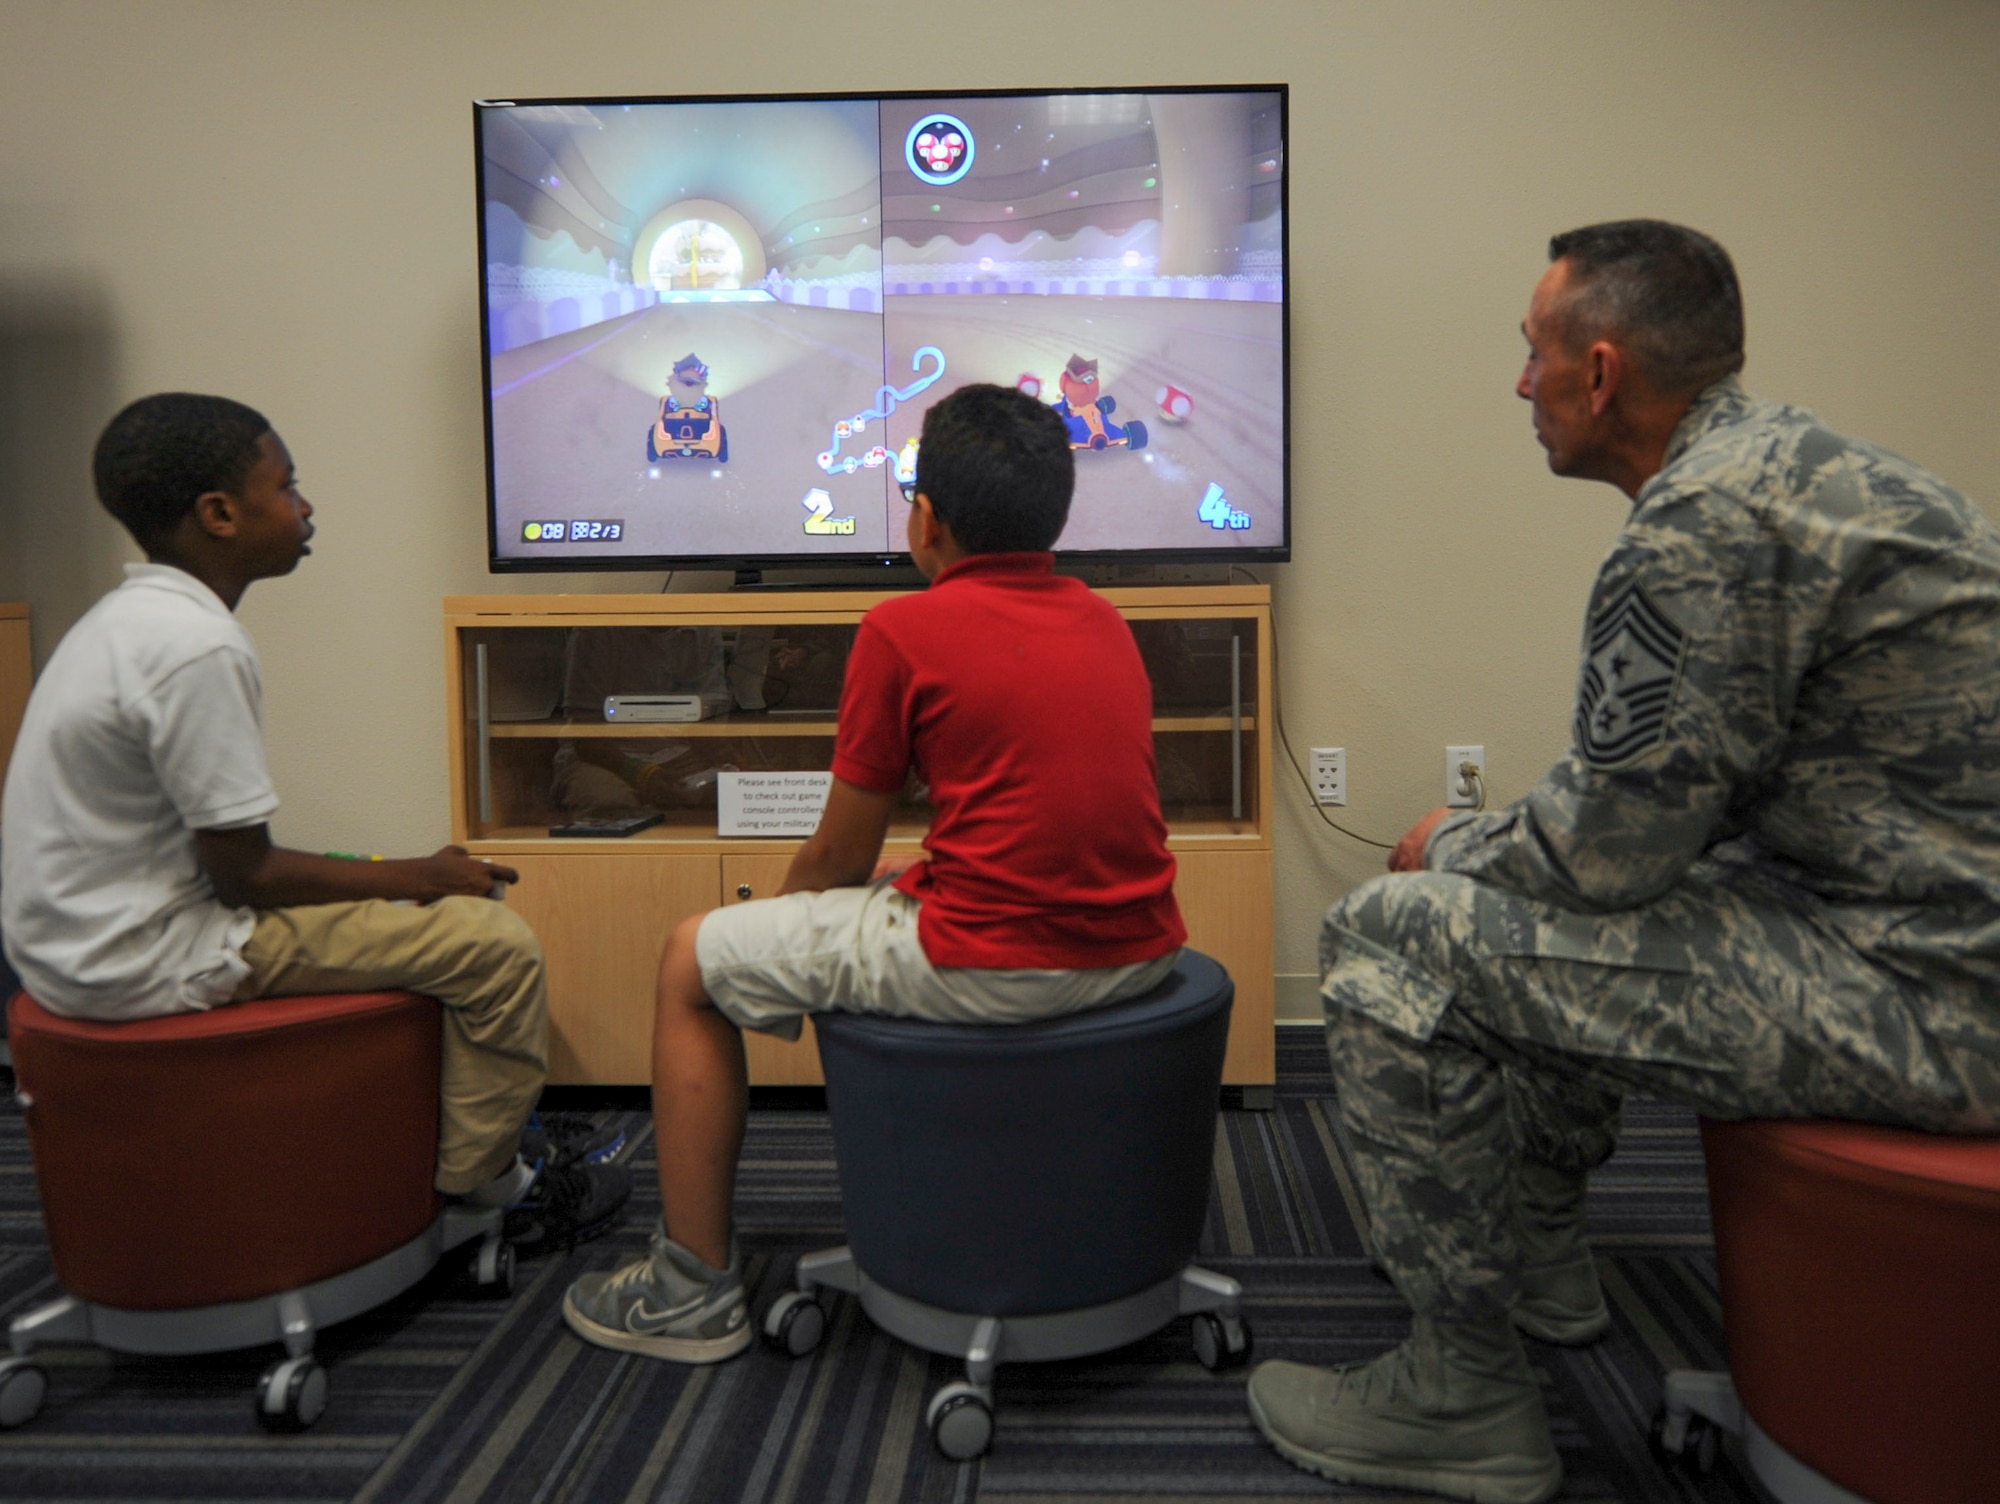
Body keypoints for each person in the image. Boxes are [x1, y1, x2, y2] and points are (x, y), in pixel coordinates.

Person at [1247, 221, 2000, 1503]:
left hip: (1926, 1002)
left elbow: (1600, 859)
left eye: (1528, 354)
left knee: (1391, 926)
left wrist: (1446, 840)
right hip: (1916, 937)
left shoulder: (1699, 523)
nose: (1516, 387)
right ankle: (1540, 1256)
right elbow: (1660, 809)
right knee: (1523, 901)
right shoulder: (1794, 468)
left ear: (1598, 373)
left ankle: (1459, 1394)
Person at [562, 383, 1188, 1362]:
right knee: (896, 877)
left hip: (990, 963)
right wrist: (920, 874)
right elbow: (1039, 817)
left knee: (689, 961)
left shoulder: (903, 631)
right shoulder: (1104, 621)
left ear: (924, 518)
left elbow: (834, 858)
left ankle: (688, 1289)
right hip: (1139, 952)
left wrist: (766, 941)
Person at [0, 393, 628, 1247]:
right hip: (145, 956)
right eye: (287, 485)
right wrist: (420, 874)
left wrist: (402, 879)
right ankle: (498, 1189)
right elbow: (245, 876)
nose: (306, 507)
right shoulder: (197, 647)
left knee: (419, 902)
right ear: (219, 514)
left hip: (72, 944)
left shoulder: (126, 621)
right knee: (492, 945)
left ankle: (497, 1139)